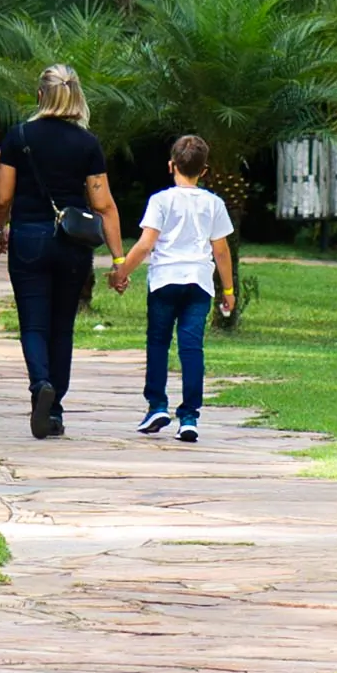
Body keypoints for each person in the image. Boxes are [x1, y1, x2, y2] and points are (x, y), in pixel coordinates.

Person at [0, 64, 125, 439]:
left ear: (40, 96)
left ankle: (40, 385)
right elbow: (104, 205)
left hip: (29, 238)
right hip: (72, 243)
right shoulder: (87, 143)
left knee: (33, 324)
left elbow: (1, 197)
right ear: (77, 97)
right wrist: (118, 260)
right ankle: (55, 411)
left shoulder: (19, 136)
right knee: (62, 326)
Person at [108, 135, 235, 443]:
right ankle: (189, 416)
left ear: (171, 165)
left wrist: (121, 273)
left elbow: (145, 244)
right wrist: (229, 291)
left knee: (158, 343)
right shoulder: (214, 203)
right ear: (204, 171)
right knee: (191, 348)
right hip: (199, 284)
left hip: (164, 281)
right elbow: (221, 250)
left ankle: (157, 406)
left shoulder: (161, 201)